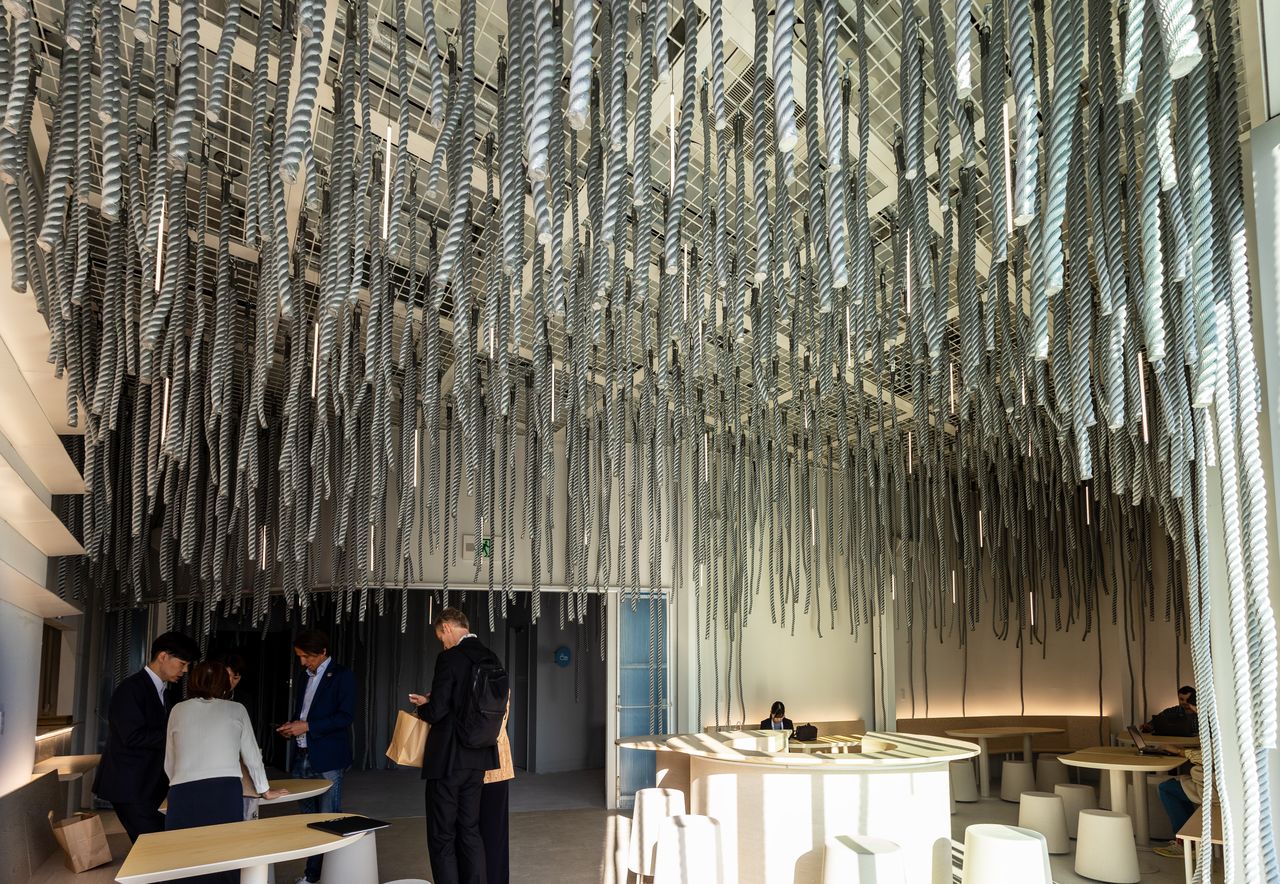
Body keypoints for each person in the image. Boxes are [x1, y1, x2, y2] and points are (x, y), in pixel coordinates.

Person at [164, 661, 287, 883]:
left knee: (182, 857)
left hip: (183, 790)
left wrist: (177, 782)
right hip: (224, 790)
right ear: (224, 683)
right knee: (225, 854)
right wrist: (265, 790)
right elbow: (252, 755)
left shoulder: (178, 710)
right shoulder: (236, 709)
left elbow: (170, 759)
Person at [408, 607, 503, 884]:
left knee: (442, 834)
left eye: (441, 637)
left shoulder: (449, 658)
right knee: (470, 829)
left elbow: (437, 711)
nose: (443, 643)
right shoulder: (491, 657)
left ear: (448, 627)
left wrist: (423, 706)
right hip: (479, 756)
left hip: (448, 760)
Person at [93, 631, 200, 842]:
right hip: (129, 785)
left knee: (153, 843)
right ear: (163, 656)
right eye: (182, 663)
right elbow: (132, 736)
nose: (185, 670)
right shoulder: (130, 689)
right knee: (154, 843)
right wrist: (177, 737)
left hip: (147, 784)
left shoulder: (164, 692)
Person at [277, 629, 357, 884]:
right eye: (300, 657)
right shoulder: (305, 677)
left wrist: (307, 726)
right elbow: (304, 712)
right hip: (302, 755)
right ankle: (312, 874)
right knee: (308, 821)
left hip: (328, 758)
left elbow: (345, 717)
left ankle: (320, 876)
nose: (303, 662)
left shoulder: (342, 676)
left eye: (307, 657)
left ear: (322, 652)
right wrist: (292, 726)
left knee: (328, 819)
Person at [479, 701, 514, 884]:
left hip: (491, 767)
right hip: (494, 766)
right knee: (492, 835)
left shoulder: (493, 686)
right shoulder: (499, 685)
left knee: (491, 834)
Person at [1153, 746, 1204, 858]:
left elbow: (1207, 757)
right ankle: (1191, 838)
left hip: (1214, 790)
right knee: (1176, 785)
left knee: (1167, 789)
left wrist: (1180, 751)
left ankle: (1185, 843)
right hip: (1218, 784)